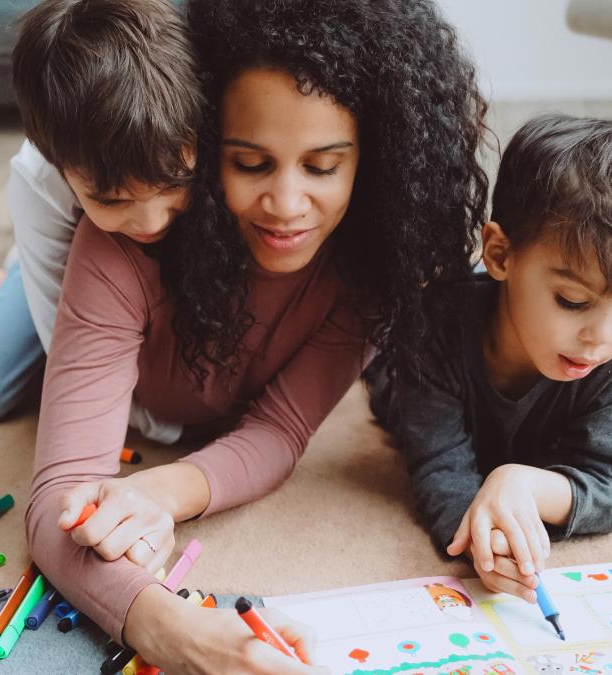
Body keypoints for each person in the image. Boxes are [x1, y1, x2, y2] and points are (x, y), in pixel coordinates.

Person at [27, 0, 490, 672]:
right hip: (90, 306)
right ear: (205, 143)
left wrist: (162, 491)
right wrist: (171, 629)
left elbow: (280, 429)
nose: (288, 206)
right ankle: (1, 288)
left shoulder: (371, 264)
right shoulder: (124, 237)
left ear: (375, 159)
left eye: (323, 167)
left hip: (170, 377)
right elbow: (60, 495)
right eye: (250, 164)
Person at [367, 113, 612, 604]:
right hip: (403, 371)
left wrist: (522, 484)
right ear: (499, 254)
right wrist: (489, 542)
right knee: (384, 359)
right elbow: (441, 467)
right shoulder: (433, 326)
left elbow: (605, 481)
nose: (600, 339)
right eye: (572, 301)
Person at [0, 0, 203, 425]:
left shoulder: (193, 116)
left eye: (175, 184)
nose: (153, 222)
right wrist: (159, 425)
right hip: (60, 264)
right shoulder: (37, 180)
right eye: (112, 200)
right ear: (57, 167)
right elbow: (69, 350)